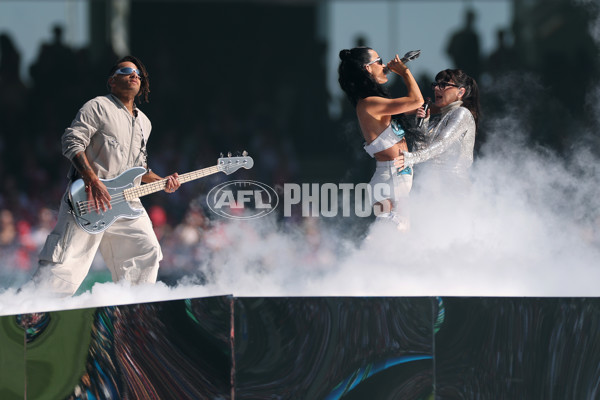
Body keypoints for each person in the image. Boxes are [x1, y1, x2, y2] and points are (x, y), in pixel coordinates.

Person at [31, 55, 181, 296]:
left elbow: (140, 168)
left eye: (138, 74)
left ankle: (134, 313)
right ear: (111, 81)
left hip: (126, 202)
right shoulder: (97, 106)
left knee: (146, 251)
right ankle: (31, 316)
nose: (134, 75)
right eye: (126, 70)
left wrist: (163, 183)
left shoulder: (145, 123)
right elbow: (71, 141)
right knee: (65, 267)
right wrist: (92, 179)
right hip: (89, 198)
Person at [338, 47, 423, 230]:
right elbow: (417, 100)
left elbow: (415, 107)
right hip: (391, 178)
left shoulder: (372, 102)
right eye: (379, 61)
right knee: (395, 235)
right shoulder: (369, 104)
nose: (384, 65)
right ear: (368, 68)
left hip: (393, 177)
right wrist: (404, 72)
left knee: (393, 237)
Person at [397, 69, 480, 193]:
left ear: (460, 91)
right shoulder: (436, 121)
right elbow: (420, 151)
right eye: (435, 85)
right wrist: (423, 123)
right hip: (433, 188)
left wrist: (411, 158)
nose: (436, 89)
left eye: (443, 85)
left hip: (455, 188)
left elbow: (442, 143)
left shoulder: (462, 113)